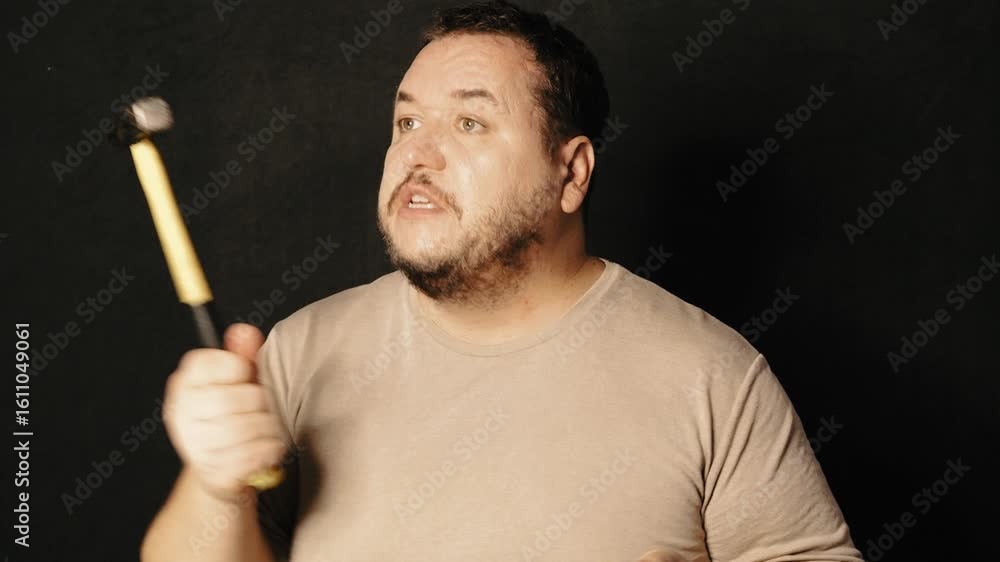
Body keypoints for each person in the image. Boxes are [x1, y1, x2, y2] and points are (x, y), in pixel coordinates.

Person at [140, 1, 863, 560]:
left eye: (470, 124)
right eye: (406, 122)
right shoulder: (302, 350)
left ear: (571, 173)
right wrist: (216, 487)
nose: (417, 155)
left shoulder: (713, 377)